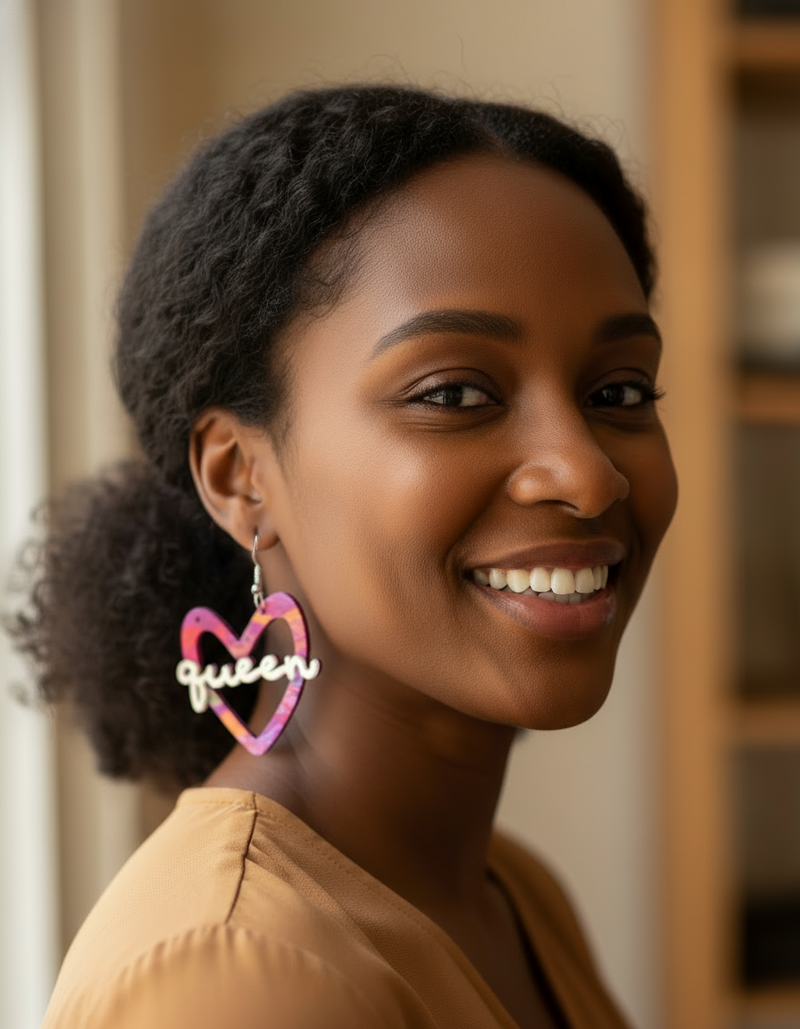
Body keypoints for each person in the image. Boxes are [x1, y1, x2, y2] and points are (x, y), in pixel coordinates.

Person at [13, 84, 677, 1028]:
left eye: (620, 389)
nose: (588, 472)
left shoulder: (509, 892)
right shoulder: (239, 976)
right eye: (454, 394)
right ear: (242, 476)